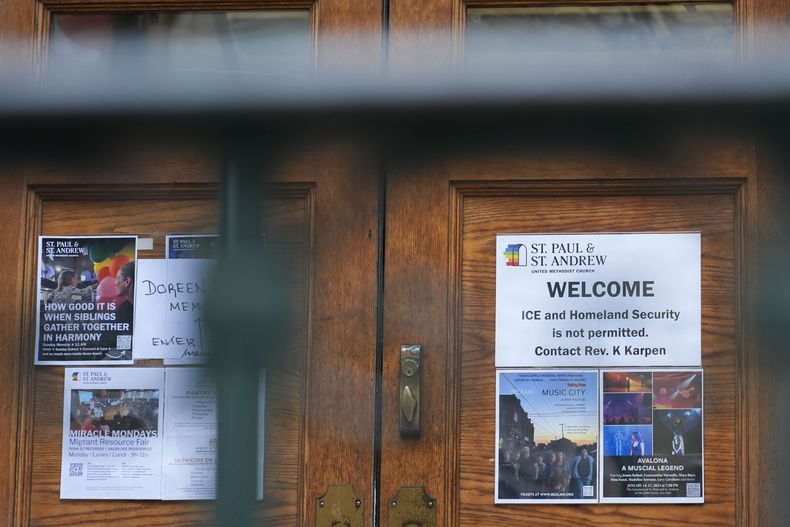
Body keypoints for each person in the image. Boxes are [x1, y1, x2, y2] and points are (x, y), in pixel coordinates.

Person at [114, 261, 135, 325]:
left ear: (127, 281)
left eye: (117, 278)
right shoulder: (123, 308)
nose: (114, 283)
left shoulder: (124, 311)